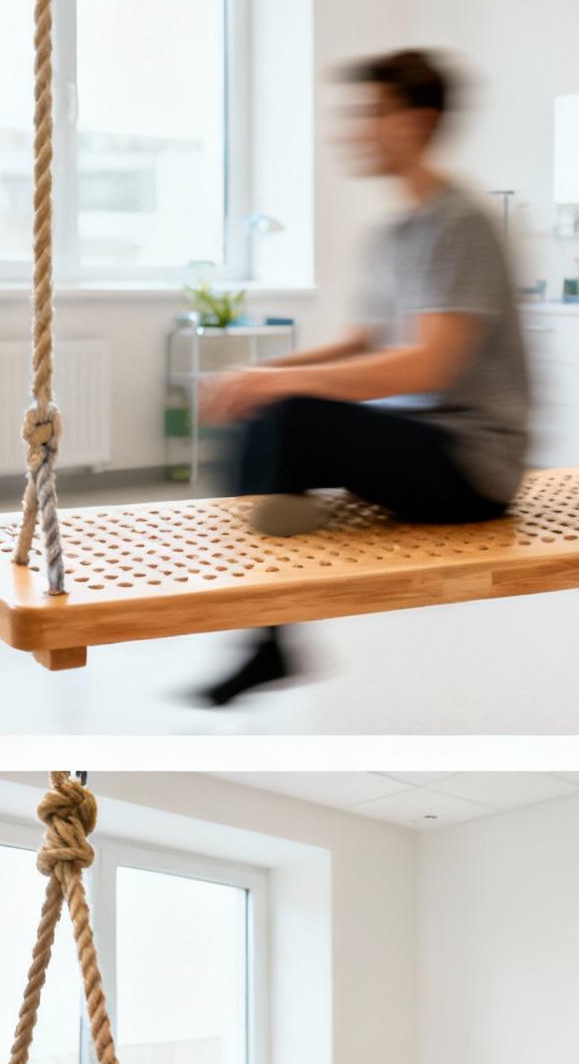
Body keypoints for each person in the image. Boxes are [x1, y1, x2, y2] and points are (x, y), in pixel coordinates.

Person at [193, 49, 532, 707]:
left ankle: (265, 635)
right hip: (420, 437)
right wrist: (260, 374)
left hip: (473, 464)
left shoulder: (459, 224)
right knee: (260, 409)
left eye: (374, 113)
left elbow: (429, 364)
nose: (355, 129)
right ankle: (261, 620)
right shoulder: (398, 229)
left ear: (419, 121)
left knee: (287, 415)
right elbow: (369, 339)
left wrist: (279, 391)